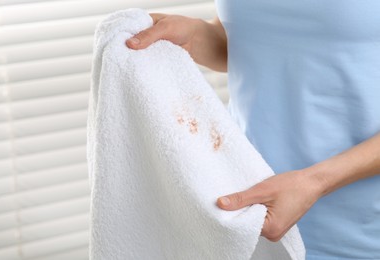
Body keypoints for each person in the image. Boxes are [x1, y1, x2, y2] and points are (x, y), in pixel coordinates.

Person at [126, 2, 380, 259]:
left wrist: (316, 181)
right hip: (245, 214)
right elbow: (240, 40)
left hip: (358, 234)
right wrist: (194, 35)